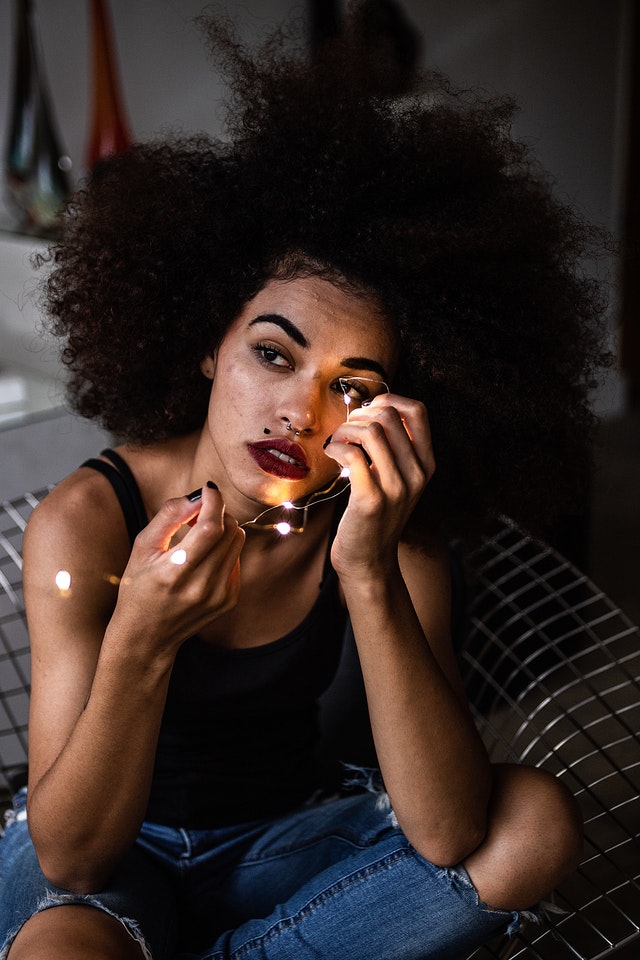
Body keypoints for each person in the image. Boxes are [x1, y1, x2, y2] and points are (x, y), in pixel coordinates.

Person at [0, 6, 609, 959]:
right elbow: (73, 856)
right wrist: (138, 642)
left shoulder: (384, 530)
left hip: (289, 838)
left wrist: (368, 570)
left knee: (534, 820)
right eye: (274, 355)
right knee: (58, 949)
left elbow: (448, 834)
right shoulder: (86, 524)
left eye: (351, 387)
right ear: (206, 342)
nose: (302, 413)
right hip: (115, 856)